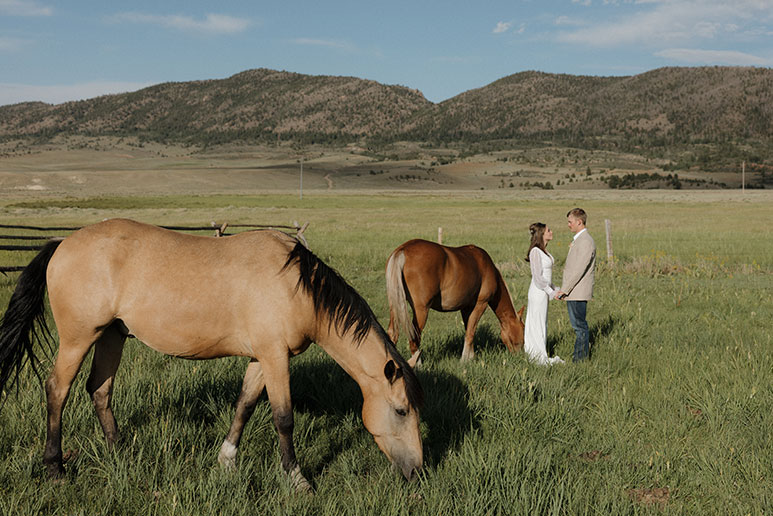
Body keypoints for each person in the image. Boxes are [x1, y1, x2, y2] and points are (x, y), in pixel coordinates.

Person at [555, 208, 596, 362]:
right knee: (578, 326)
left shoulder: (585, 241)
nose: (568, 225)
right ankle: (579, 358)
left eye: (570, 222)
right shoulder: (579, 240)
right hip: (574, 291)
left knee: (580, 327)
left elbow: (579, 270)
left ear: (579, 222)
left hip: (577, 292)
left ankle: (580, 360)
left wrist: (564, 290)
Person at [523, 223, 565, 365]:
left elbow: (546, 278)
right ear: (542, 234)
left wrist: (556, 289)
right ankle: (536, 355)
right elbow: (538, 278)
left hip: (544, 291)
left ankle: (540, 351)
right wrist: (551, 292)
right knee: (537, 322)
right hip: (538, 292)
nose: (551, 232)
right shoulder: (535, 251)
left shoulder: (545, 251)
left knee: (542, 322)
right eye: (549, 230)